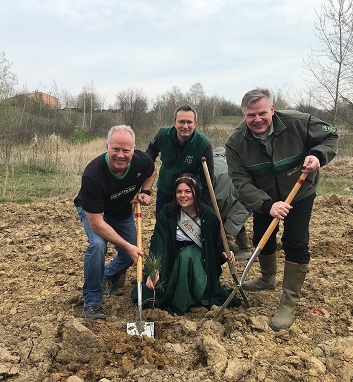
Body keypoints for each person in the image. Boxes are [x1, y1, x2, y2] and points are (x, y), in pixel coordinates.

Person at [225, 88, 338, 331]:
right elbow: (240, 182)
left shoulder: (298, 122)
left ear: (272, 109)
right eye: (250, 115)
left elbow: (331, 136)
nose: (257, 119)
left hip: (300, 191)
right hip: (265, 196)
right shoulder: (235, 143)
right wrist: (267, 205)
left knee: (295, 242)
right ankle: (267, 279)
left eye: (262, 113)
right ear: (243, 115)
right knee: (262, 239)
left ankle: (288, 302)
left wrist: (319, 156)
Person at [74, 125, 156, 321]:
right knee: (98, 246)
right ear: (107, 147)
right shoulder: (93, 175)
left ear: (133, 149)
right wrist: (127, 246)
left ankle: (108, 277)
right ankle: (92, 302)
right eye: (115, 149)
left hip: (121, 211)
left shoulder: (142, 161)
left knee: (132, 252)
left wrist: (145, 191)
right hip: (95, 214)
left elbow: (152, 171)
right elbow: (97, 224)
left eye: (126, 150)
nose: (121, 155)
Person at [133, 173, 241, 315]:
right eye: (179, 191)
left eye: (187, 191)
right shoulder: (167, 212)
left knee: (187, 256)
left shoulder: (208, 215)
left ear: (195, 193)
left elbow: (217, 243)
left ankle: (188, 299)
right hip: (171, 256)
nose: (183, 195)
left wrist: (224, 252)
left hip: (199, 258)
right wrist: (155, 270)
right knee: (149, 292)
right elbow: (159, 243)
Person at [146, 105, 214, 215]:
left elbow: (208, 180)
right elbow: (150, 153)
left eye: (189, 122)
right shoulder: (163, 135)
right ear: (175, 122)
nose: (185, 126)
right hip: (165, 189)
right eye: (181, 122)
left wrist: (204, 206)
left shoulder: (204, 144)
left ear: (195, 124)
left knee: (185, 227)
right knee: (163, 223)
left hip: (189, 194)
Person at [212, 146, 252, 261]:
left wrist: (223, 236)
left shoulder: (218, 173)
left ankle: (245, 249)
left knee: (233, 217)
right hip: (232, 191)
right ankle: (227, 241)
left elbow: (220, 207)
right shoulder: (212, 160)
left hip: (247, 194)